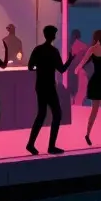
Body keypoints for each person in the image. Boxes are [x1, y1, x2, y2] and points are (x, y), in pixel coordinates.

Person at [26, 25, 74, 155]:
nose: (55, 36)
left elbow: (30, 67)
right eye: (54, 33)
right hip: (49, 86)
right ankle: (51, 146)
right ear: (51, 35)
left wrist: (40, 68)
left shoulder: (38, 49)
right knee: (57, 114)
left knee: (41, 114)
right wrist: (70, 60)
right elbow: (62, 69)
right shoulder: (53, 51)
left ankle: (31, 144)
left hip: (40, 85)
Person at [69, 30, 90, 108]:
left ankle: (76, 106)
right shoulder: (82, 46)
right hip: (76, 71)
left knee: (78, 91)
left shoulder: (77, 45)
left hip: (76, 71)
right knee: (79, 91)